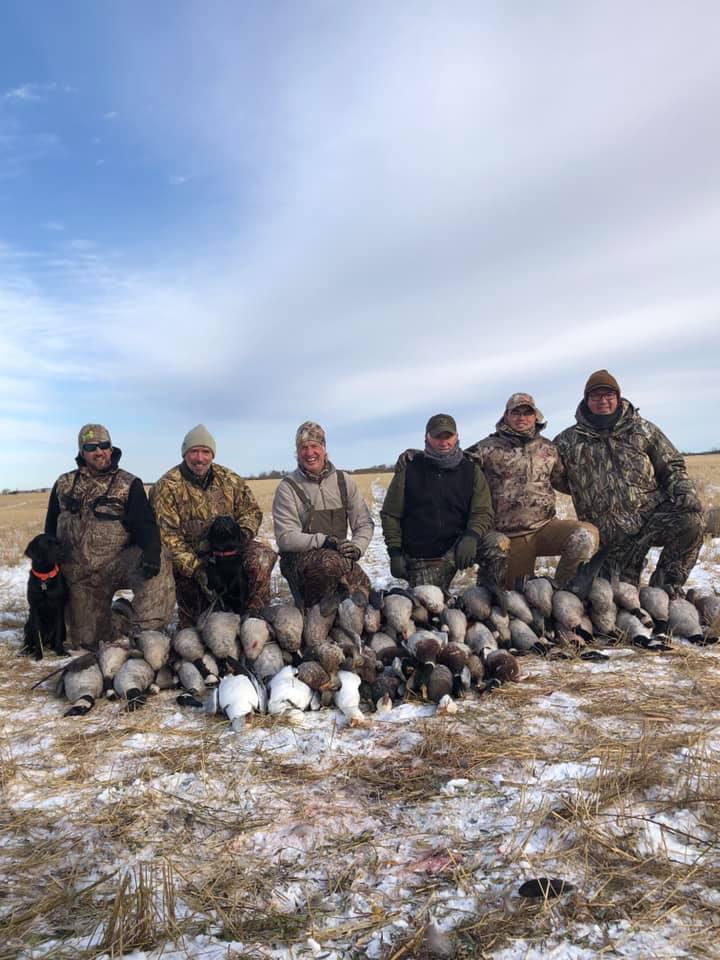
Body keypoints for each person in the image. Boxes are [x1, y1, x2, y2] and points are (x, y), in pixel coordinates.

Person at [553, 370, 704, 595]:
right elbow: (557, 478)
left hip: (649, 518)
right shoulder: (567, 440)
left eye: (608, 395)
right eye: (595, 396)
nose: (602, 401)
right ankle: (628, 580)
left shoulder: (643, 429)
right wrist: (586, 492)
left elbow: (671, 464)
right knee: (616, 593)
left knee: (691, 522)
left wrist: (683, 492)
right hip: (608, 534)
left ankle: (666, 587)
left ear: (618, 397)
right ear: (586, 400)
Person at [44, 423, 174, 649]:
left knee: (159, 556)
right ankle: (119, 615)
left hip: (116, 564)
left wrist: (152, 551)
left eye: (104, 446)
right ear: (81, 452)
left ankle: (147, 633)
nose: (99, 451)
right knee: (86, 643)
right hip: (78, 576)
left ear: (111, 448)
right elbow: (49, 530)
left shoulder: (128, 483)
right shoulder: (63, 484)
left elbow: (144, 524)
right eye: (91, 447)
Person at [465, 393, 599, 587]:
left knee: (585, 534)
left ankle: (564, 589)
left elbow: (565, 482)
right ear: (506, 415)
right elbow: (453, 469)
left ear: (535, 416)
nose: (521, 418)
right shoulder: (486, 448)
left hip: (545, 527)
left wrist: (595, 485)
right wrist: (419, 459)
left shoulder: (548, 448)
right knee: (517, 596)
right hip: (509, 536)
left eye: (527, 413)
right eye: (516, 413)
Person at [150, 425, 276, 626]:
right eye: (194, 451)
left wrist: (241, 536)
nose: (200, 458)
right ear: (185, 454)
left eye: (205, 452)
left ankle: (255, 618)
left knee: (262, 556)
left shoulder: (229, 479)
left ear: (212, 455)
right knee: (199, 626)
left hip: (230, 553)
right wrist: (199, 569)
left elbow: (251, 511)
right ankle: (196, 621)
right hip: (192, 559)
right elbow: (167, 537)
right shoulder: (167, 486)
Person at [381, 414, 509, 597]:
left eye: (448, 436)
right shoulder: (409, 470)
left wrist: (471, 536)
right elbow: (390, 515)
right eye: (437, 437)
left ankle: (491, 596)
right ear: (427, 438)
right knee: (429, 608)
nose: (444, 442)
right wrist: (394, 552)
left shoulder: (471, 470)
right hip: (425, 553)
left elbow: (483, 511)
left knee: (498, 543)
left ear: (457, 437)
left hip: (460, 543)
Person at [272, 421, 374, 608]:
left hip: (337, 558)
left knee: (367, 593)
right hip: (300, 561)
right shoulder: (288, 487)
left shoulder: (344, 482)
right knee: (328, 563)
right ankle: (312, 606)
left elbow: (364, 523)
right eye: (303, 448)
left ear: (324, 449)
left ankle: (339, 604)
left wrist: (357, 547)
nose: (309, 453)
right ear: (297, 452)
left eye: (314, 446)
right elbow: (285, 538)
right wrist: (323, 541)